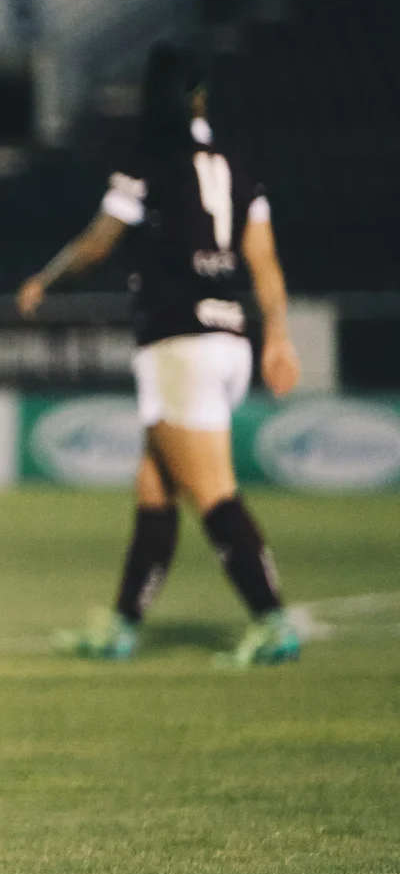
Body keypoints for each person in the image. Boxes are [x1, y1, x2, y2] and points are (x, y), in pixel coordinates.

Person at [22, 43, 301, 668]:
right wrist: (278, 335)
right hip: (228, 339)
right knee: (155, 490)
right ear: (202, 98)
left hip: (179, 343)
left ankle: (273, 619)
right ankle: (122, 626)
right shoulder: (239, 170)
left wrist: (46, 278)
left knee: (214, 495)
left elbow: (99, 242)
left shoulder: (151, 164)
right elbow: (265, 265)